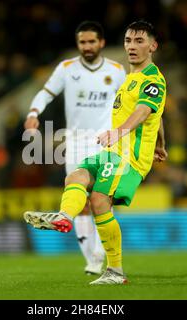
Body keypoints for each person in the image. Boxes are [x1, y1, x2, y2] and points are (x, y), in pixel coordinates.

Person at [24, 20, 168, 285]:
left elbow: (144, 111)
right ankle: (64, 218)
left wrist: (119, 131)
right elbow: (157, 115)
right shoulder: (130, 78)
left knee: (100, 201)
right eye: (128, 41)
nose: (132, 46)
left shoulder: (153, 79)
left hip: (129, 156)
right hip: (113, 151)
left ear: (153, 46)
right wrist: (161, 142)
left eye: (139, 41)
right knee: (76, 177)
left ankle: (114, 271)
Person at [24, 21, 126, 275]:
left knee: (101, 199)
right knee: (80, 201)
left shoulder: (116, 71)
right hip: (77, 143)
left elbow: (129, 104)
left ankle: (102, 252)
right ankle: (92, 260)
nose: (87, 46)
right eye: (83, 42)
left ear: (101, 43)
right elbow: (46, 92)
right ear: (78, 44)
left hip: (106, 142)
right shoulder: (67, 69)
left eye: (92, 41)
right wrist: (34, 112)